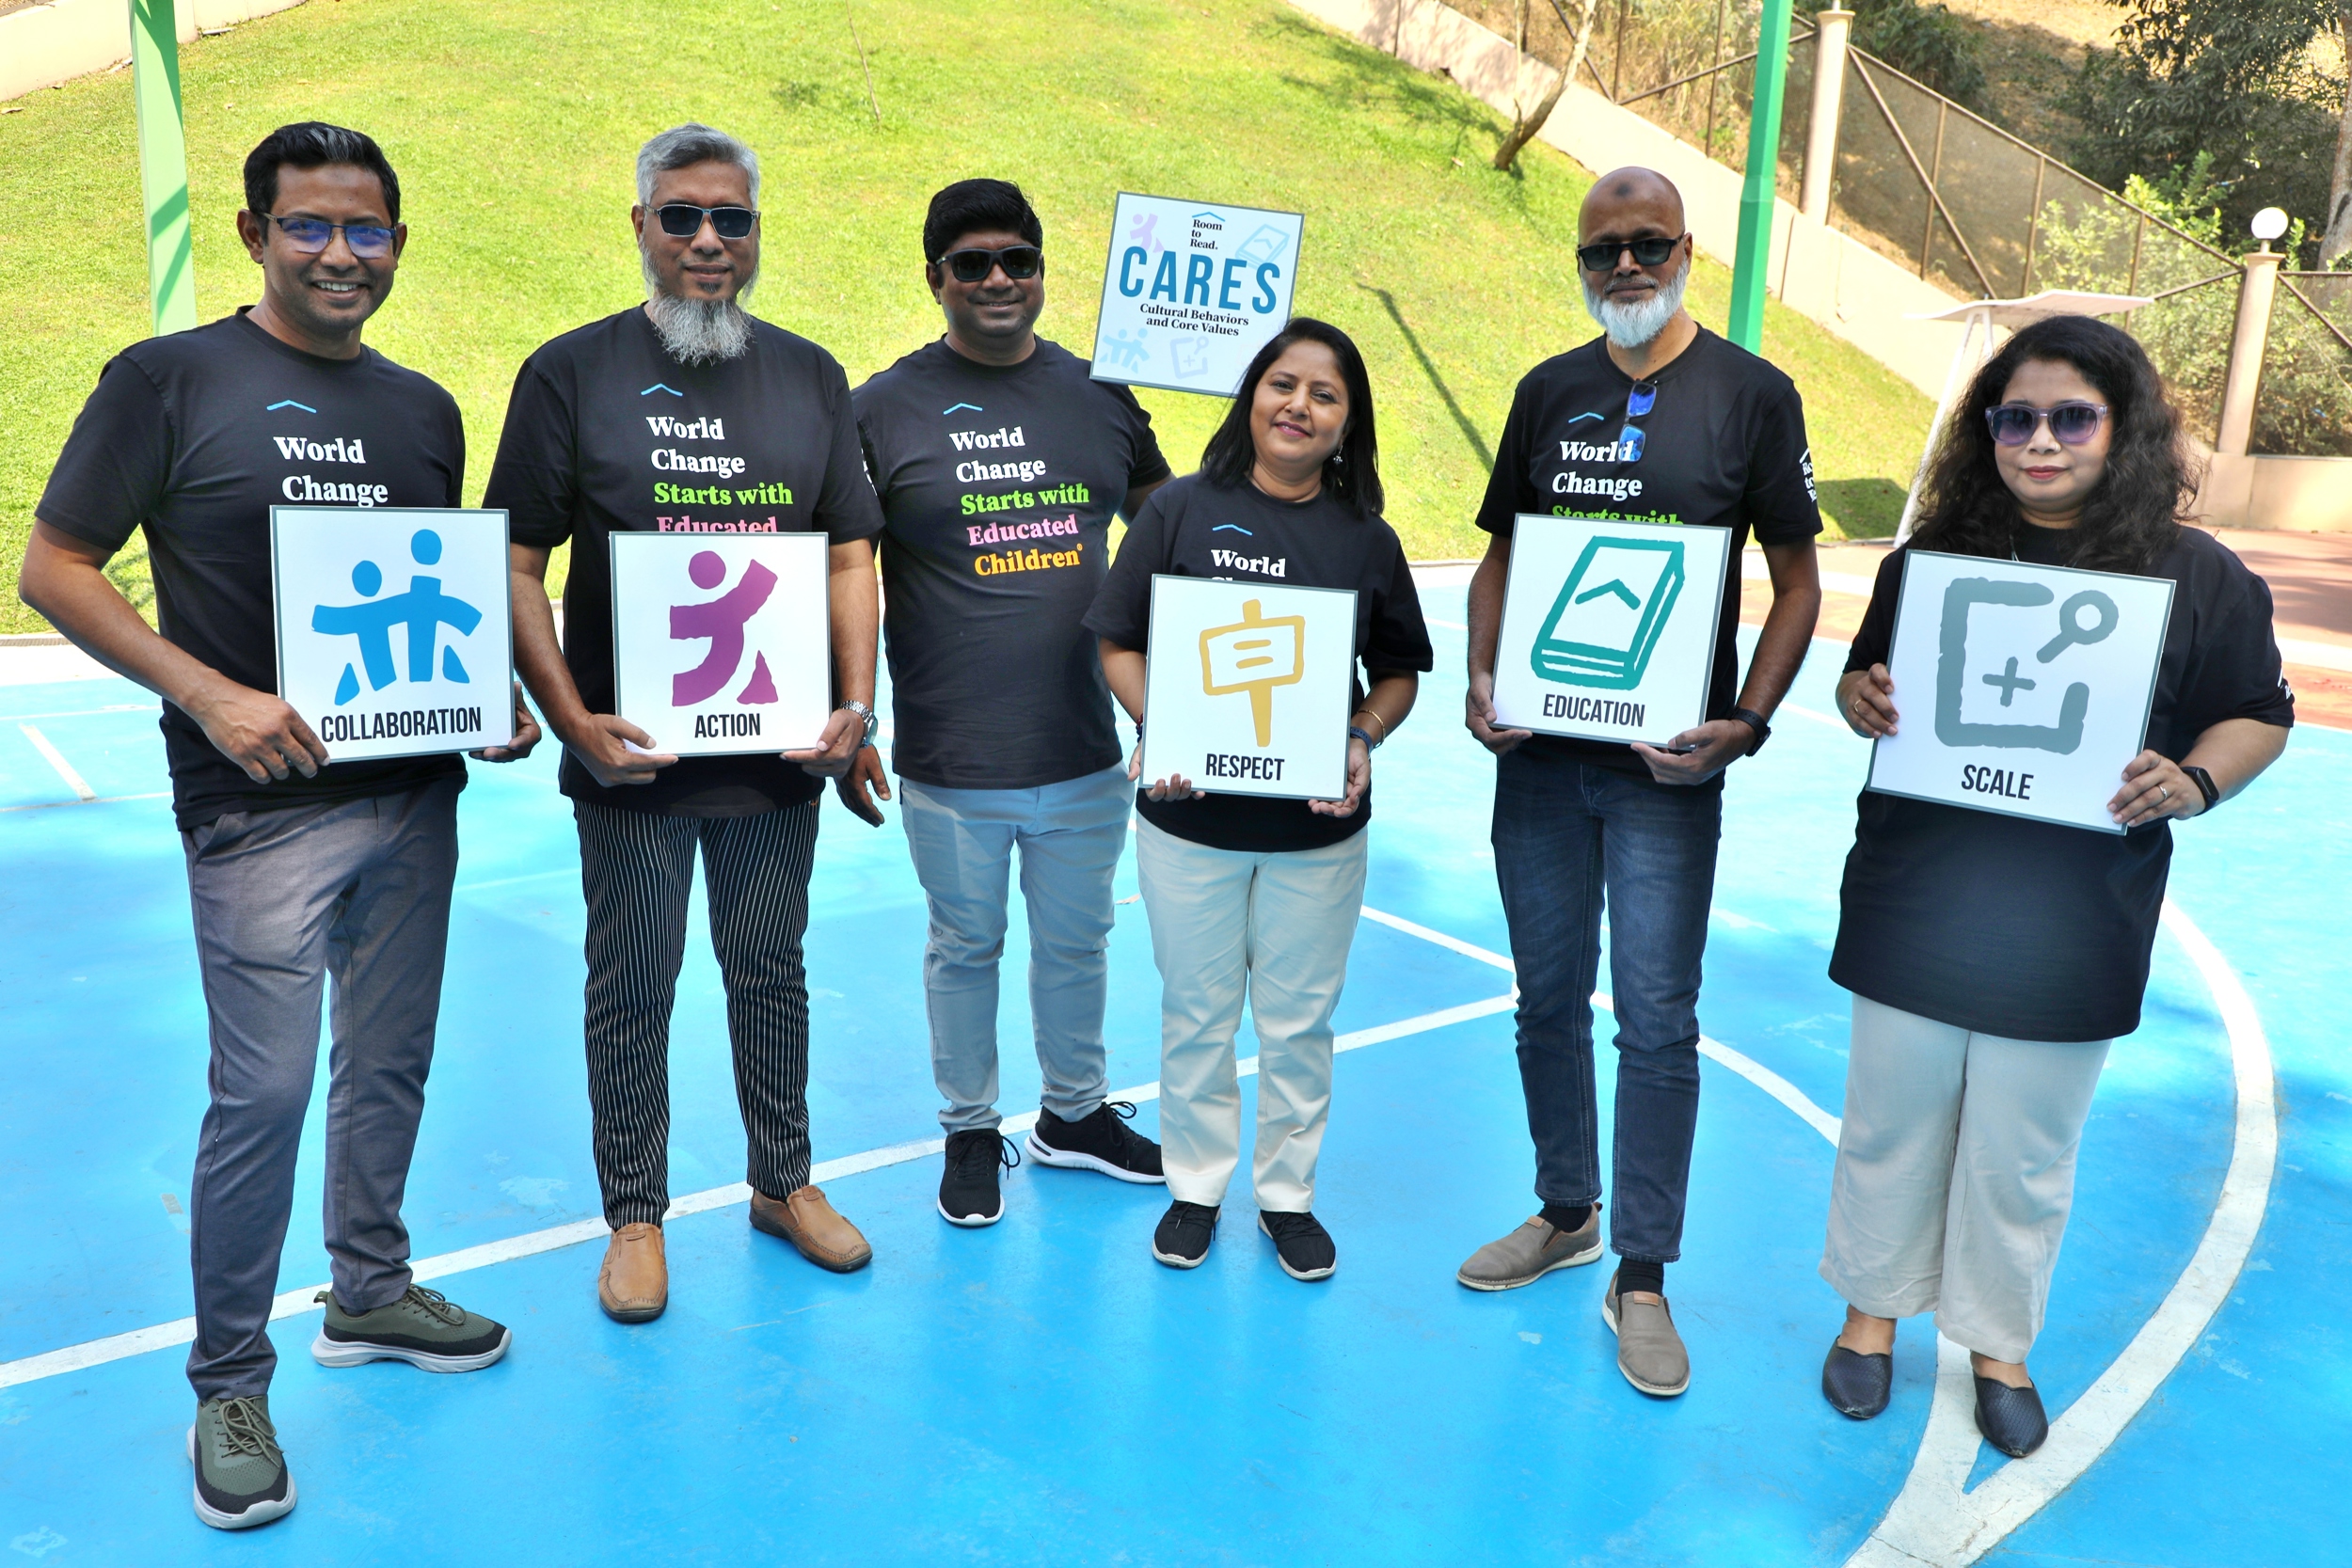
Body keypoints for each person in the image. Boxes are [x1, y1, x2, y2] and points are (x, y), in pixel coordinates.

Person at [20, 122, 538, 1531]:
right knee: (261, 1096)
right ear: (254, 234)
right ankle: (228, 1382)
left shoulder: (424, 407)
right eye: (308, 225)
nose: (338, 253)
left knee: (392, 1062)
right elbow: (53, 565)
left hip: (412, 796)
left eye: (364, 229)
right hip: (255, 815)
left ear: (397, 243)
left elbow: (425, 591)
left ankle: (367, 1289)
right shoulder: (169, 379)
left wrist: (485, 695)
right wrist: (208, 693)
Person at [1817, 315, 2291, 1456]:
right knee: (1889, 1123)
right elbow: (1861, 686)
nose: (2039, 439)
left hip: (2073, 923)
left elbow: (2258, 715)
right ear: (1988, 433)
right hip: (1916, 898)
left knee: (2021, 1149)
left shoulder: (2199, 574)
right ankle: (1868, 1318)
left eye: (2070, 416)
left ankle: (1998, 1345)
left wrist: (2193, 779)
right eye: (2015, 417)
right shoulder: (1927, 562)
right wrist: (1859, 699)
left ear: (2120, 428)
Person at [485, 124, 883, 1326]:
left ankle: (782, 1182)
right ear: (642, 228)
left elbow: (851, 551)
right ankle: (635, 1212)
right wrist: (570, 717)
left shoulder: (812, 375)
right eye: (683, 217)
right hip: (634, 764)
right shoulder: (570, 373)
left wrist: (855, 707)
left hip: (772, 765)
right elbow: (514, 559)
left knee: (770, 972)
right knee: (633, 982)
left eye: (733, 219)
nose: (710, 240)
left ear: (757, 231)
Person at [1457, 166, 1823, 1398]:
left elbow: (1800, 582)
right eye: (1601, 248)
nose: (1624, 264)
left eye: (1647, 243)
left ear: (1686, 252)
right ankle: (1567, 1207)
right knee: (1547, 999)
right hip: (1542, 770)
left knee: (1657, 1017)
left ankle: (1644, 1271)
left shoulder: (1752, 396)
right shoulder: (1547, 392)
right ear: (1580, 260)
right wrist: (1482, 679)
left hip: (1667, 774)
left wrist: (1747, 722)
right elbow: (1499, 562)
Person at [848, 180, 1172, 1226]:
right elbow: (835, 568)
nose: (998, 279)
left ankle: (1073, 1114)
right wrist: (850, 709)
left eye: (1018, 260)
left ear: (1042, 271)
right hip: (952, 752)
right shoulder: (879, 406)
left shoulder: (1103, 392)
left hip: (1084, 744)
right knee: (966, 943)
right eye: (973, 261)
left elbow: (1174, 533)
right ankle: (969, 1127)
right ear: (934, 276)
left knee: (1079, 945)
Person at [1086, 319, 1432, 1281]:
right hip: (1187, 823)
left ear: (1346, 423)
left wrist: (1360, 737)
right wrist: (1161, 725)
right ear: (1251, 396)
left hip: (1315, 833)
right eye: (1283, 383)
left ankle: (1287, 1197)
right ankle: (1194, 1187)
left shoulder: (1366, 538)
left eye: (1325, 394)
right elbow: (1118, 640)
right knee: (1195, 1012)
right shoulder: (1180, 510)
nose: (1299, 404)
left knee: (1297, 1022)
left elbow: (1399, 669)